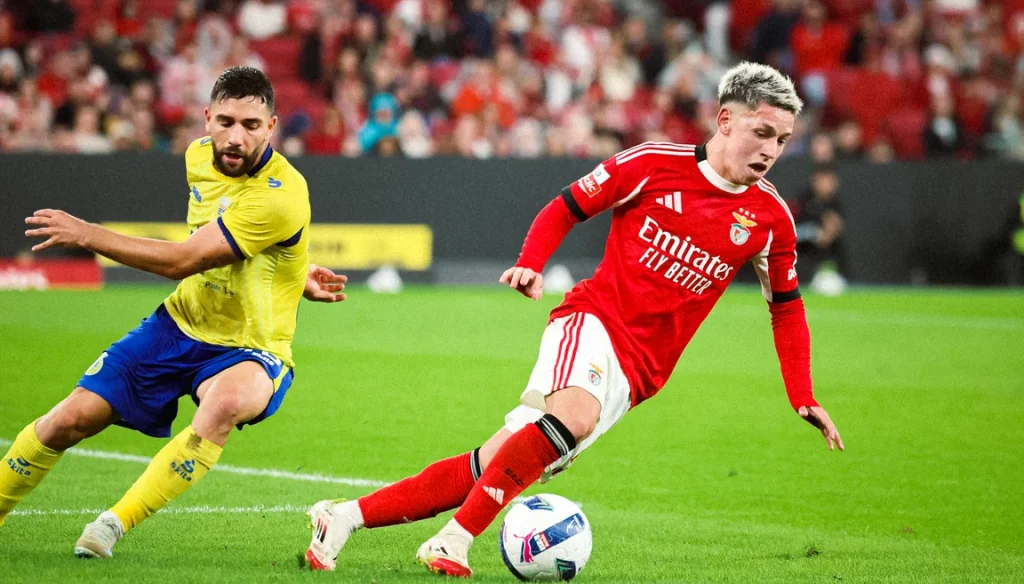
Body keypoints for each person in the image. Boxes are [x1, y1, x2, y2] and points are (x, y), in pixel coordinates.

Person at [302, 62, 845, 576]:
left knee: (489, 464)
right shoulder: (652, 163)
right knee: (573, 418)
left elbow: (786, 307)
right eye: (762, 132)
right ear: (725, 120)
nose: (771, 150)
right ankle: (453, 540)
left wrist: (802, 394)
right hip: (592, 321)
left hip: (638, 376)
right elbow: (566, 207)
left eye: (782, 140)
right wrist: (531, 263)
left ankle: (343, 516)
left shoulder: (770, 219)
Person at [0, 67, 347, 558]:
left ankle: (112, 524)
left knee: (225, 403)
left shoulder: (281, 194)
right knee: (68, 420)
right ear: (206, 119)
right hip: (179, 323)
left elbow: (183, 260)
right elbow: (220, 234)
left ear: (272, 127)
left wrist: (88, 234)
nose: (236, 137)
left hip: (251, 346)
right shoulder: (197, 157)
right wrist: (293, 269)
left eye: (251, 125)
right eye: (225, 122)